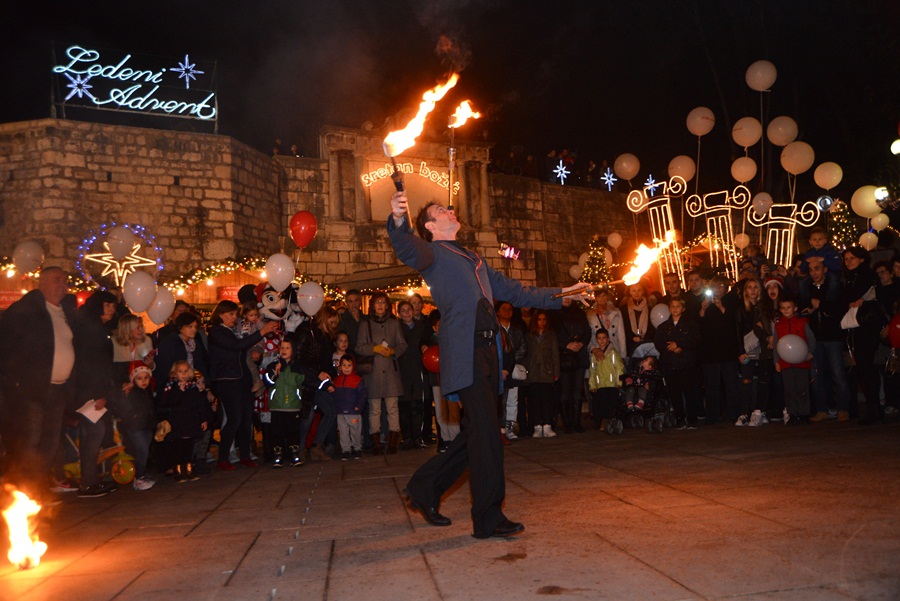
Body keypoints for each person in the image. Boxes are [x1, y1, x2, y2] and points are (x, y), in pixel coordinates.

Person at [387, 189, 588, 539]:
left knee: (479, 432)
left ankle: (424, 487)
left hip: (487, 351)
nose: (450, 210)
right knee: (488, 435)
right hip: (465, 352)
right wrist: (398, 218)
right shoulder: (432, 253)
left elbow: (518, 292)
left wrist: (565, 294)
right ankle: (488, 517)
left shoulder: (474, 259)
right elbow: (405, 246)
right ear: (430, 226)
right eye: (440, 210)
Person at [0, 266, 77, 501]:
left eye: (64, 280)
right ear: (41, 283)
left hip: (57, 390)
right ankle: (17, 493)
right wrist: (15, 382)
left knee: (49, 442)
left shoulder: (65, 312)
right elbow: (7, 346)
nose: (62, 285)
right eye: (56, 280)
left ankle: (35, 491)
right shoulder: (27, 310)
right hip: (31, 390)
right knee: (28, 442)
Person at [208, 300, 279, 471]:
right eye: (231, 314)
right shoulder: (216, 332)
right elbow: (236, 346)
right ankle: (223, 457)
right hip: (227, 380)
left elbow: (244, 348)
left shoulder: (233, 330)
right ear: (221, 315)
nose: (234, 317)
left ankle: (245, 455)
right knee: (234, 418)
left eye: (235, 314)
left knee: (246, 418)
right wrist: (262, 331)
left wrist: (257, 351)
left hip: (242, 379)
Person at [73, 290, 120, 498]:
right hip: (88, 392)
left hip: (91, 390)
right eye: (107, 305)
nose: (111, 310)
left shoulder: (97, 328)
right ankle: (88, 482)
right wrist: (99, 394)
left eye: (113, 306)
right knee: (94, 432)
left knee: (95, 432)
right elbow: (92, 365)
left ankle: (91, 479)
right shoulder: (91, 330)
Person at [356, 292, 407, 455]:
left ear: (387, 305)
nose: (380, 305)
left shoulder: (394, 323)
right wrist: (374, 348)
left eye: (383, 302)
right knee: (375, 409)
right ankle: (376, 442)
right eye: (377, 302)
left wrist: (393, 351)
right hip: (374, 373)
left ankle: (393, 441)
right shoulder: (365, 324)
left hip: (391, 372)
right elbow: (359, 347)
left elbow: (403, 344)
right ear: (372, 305)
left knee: (392, 408)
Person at [799, 259, 851, 422]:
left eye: (817, 269)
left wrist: (819, 305)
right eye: (811, 270)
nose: (814, 273)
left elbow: (838, 308)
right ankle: (822, 409)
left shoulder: (835, 287)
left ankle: (843, 408)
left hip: (833, 337)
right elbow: (802, 308)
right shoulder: (806, 289)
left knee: (837, 373)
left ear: (825, 270)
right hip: (815, 338)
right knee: (817, 375)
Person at [841, 247, 885, 424]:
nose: (848, 261)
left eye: (852, 258)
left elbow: (851, 295)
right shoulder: (850, 277)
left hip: (869, 323)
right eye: (846, 259)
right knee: (863, 365)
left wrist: (854, 300)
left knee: (866, 364)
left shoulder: (866, 275)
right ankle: (873, 407)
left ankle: (875, 407)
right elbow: (847, 297)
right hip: (860, 324)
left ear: (862, 259)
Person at [158, 360, 213, 482]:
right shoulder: (170, 387)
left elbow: (199, 404)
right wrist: (179, 390)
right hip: (178, 422)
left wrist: (203, 419)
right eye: (180, 371)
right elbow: (168, 402)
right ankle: (178, 471)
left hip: (190, 421)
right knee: (178, 447)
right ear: (174, 373)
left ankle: (189, 470)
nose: (183, 374)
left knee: (189, 447)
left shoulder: (192, 387)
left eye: (186, 371)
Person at [697, 275, 740, 425]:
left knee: (731, 384)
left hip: (728, 351)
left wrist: (721, 307)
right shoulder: (705, 303)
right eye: (715, 286)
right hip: (710, 352)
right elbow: (700, 324)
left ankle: (734, 414)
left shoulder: (732, 301)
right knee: (711, 386)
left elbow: (733, 323)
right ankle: (712, 416)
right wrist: (703, 309)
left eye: (721, 286)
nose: (718, 289)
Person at [654, 297, 700, 428]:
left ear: (683, 308)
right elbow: (659, 343)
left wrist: (680, 345)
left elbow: (695, 340)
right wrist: (671, 348)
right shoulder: (663, 327)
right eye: (672, 306)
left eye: (678, 306)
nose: (675, 309)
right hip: (670, 363)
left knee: (689, 392)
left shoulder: (691, 324)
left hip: (687, 363)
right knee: (675, 392)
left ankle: (692, 419)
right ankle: (679, 418)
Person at [735, 279, 774, 427]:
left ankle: (759, 411)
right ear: (745, 291)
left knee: (763, 380)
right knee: (746, 380)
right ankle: (744, 413)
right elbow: (737, 331)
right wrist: (740, 351)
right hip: (748, 348)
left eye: (755, 287)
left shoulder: (765, 307)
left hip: (764, 347)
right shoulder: (741, 309)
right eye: (749, 288)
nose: (752, 290)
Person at [772, 298, 816, 425]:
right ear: (780, 310)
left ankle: (804, 413)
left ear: (795, 308)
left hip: (802, 361)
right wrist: (776, 361)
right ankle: (792, 414)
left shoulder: (802, 323)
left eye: (789, 307)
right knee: (789, 389)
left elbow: (811, 339)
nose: (786, 310)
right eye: (783, 308)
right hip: (785, 363)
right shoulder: (778, 326)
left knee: (802, 388)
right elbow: (776, 344)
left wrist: (810, 353)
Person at [263, 339, 305, 467]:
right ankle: (278, 456)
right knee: (277, 432)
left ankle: (294, 455)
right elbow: (267, 382)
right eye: (282, 347)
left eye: (287, 348)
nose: (284, 350)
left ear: (293, 350)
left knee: (293, 431)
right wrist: (275, 374)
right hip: (277, 406)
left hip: (293, 405)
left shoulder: (298, 367)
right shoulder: (272, 366)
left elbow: (305, 381)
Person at [553, 296, 591, 433]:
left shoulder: (580, 313)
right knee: (564, 390)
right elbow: (553, 333)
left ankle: (576, 422)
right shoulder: (554, 314)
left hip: (578, 356)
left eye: (570, 297)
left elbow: (587, 331)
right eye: (565, 297)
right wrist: (565, 344)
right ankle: (567, 423)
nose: (567, 299)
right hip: (563, 356)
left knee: (577, 391)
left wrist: (580, 343)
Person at [396, 300, 430, 450]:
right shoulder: (396, 327)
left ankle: (418, 436)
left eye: (408, 310)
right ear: (399, 313)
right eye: (403, 311)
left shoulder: (421, 327)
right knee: (404, 405)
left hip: (418, 369)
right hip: (402, 370)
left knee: (418, 404)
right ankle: (407, 437)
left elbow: (427, 341)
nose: (407, 313)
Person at [118, 362, 157, 490]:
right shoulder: (131, 391)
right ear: (134, 379)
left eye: (146, 378)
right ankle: (138, 478)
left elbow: (151, 408)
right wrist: (125, 393)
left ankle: (142, 474)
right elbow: (122, 406)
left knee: (145, 450)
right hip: (135, 426)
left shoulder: (148, 392)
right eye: (139, 378)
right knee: (142, 450)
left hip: (147, 425)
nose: (143, 381)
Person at [525, 309, 560, 438]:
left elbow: (555, 354)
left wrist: (556, 371)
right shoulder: (529, 336)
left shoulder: (551, 335)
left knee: (547, 399)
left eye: (544, 319)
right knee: (535, 400)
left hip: (547, 370)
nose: (542, 322)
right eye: (539, 319)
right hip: (533, 371)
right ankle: (537, 426)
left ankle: (547, 424)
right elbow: (526, 354)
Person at [587, 328, 624, 430]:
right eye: (599, 338)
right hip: (600, 385)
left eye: (604, 338)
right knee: (600, 405)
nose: (602, 340)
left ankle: (612, 422)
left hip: (612, 384)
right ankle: (602, 422)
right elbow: (592, 370)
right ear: (596, 340)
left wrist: (619, 381)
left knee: (611, 405)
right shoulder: (594, 356)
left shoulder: (612, 353)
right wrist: (592, 384)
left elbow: (619, 367)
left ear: (608, 339)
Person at [333, 355, 367, 460]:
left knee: (355, 432)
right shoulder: (337, 380)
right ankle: (346, 450)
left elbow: (363, 395)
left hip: (353, 411)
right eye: (344, 365)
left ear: (353, 366)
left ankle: (357, 449)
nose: (346, 368)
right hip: (341, 412)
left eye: (349, 365)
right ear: (340, 367)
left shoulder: (357, 380)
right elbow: (334, 395)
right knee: (343, 433)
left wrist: (359, 406)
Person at [112, 314, 156, 385]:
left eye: (141, 326)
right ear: (127, 329)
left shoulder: (146, 340)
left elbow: (151, 368)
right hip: (121, 383)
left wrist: (150, 364)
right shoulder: (114, 342)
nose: (141, 330)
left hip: (142, 383)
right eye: (138, 328)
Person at [586, 290, 626, 357]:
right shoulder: (591, 315)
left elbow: (621, 334)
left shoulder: (616, 312)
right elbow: (589, 335)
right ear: (595, 298)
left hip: (614, 349)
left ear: (607, 296)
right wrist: (593, 349)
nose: (602, 298)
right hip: (598, 350)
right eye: (599, 296)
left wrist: (623, 355)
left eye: (604, 295)